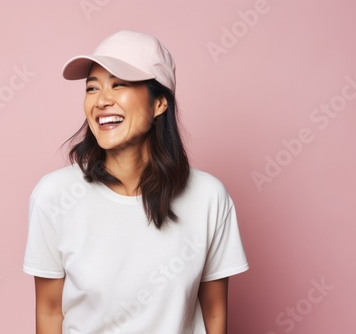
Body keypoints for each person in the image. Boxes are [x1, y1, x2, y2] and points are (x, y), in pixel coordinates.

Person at [23, 30, 249, 334]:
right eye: (92, 88)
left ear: (159, 104)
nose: (102, 100)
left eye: (119, 85)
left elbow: (215, 314)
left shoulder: (208, 197)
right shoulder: (54, 196)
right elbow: (50, 312)